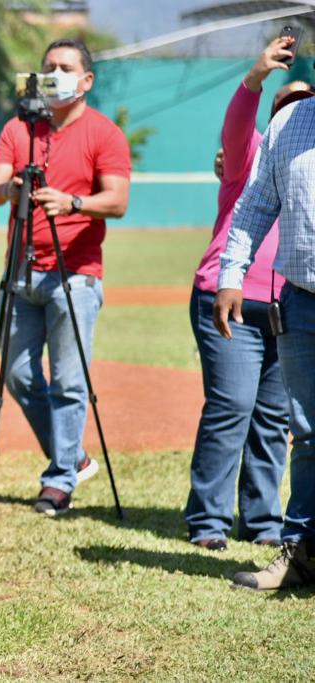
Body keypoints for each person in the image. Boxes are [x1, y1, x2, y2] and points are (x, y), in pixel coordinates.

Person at [0, 38, 131, 516]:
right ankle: (75, 457)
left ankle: (59, 480)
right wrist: (14, 187)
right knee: (19, 375)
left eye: (65, 67)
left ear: (87, 80)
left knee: (69, 381)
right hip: (21, 271)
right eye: (48, 67)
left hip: (76, 275)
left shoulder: (105, 134)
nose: (54, 74)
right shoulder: (18, 128)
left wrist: (73, 203)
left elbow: (118, 201)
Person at [185, 37, 309, 552]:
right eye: (287, 102)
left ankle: (261, 520)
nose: (297, 110)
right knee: (231, 405)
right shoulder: (249, 152)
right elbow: (238, 122)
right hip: (228, 297)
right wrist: (256, 77)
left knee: (274, 417)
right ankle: (209, 520)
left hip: (290, 304)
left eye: (306, 101)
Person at [215, 69, 315, 592]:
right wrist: (232, 275)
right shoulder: (290, 123)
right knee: (308, 433)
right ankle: (302, 553)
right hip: (300, 301)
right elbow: (255, 204)